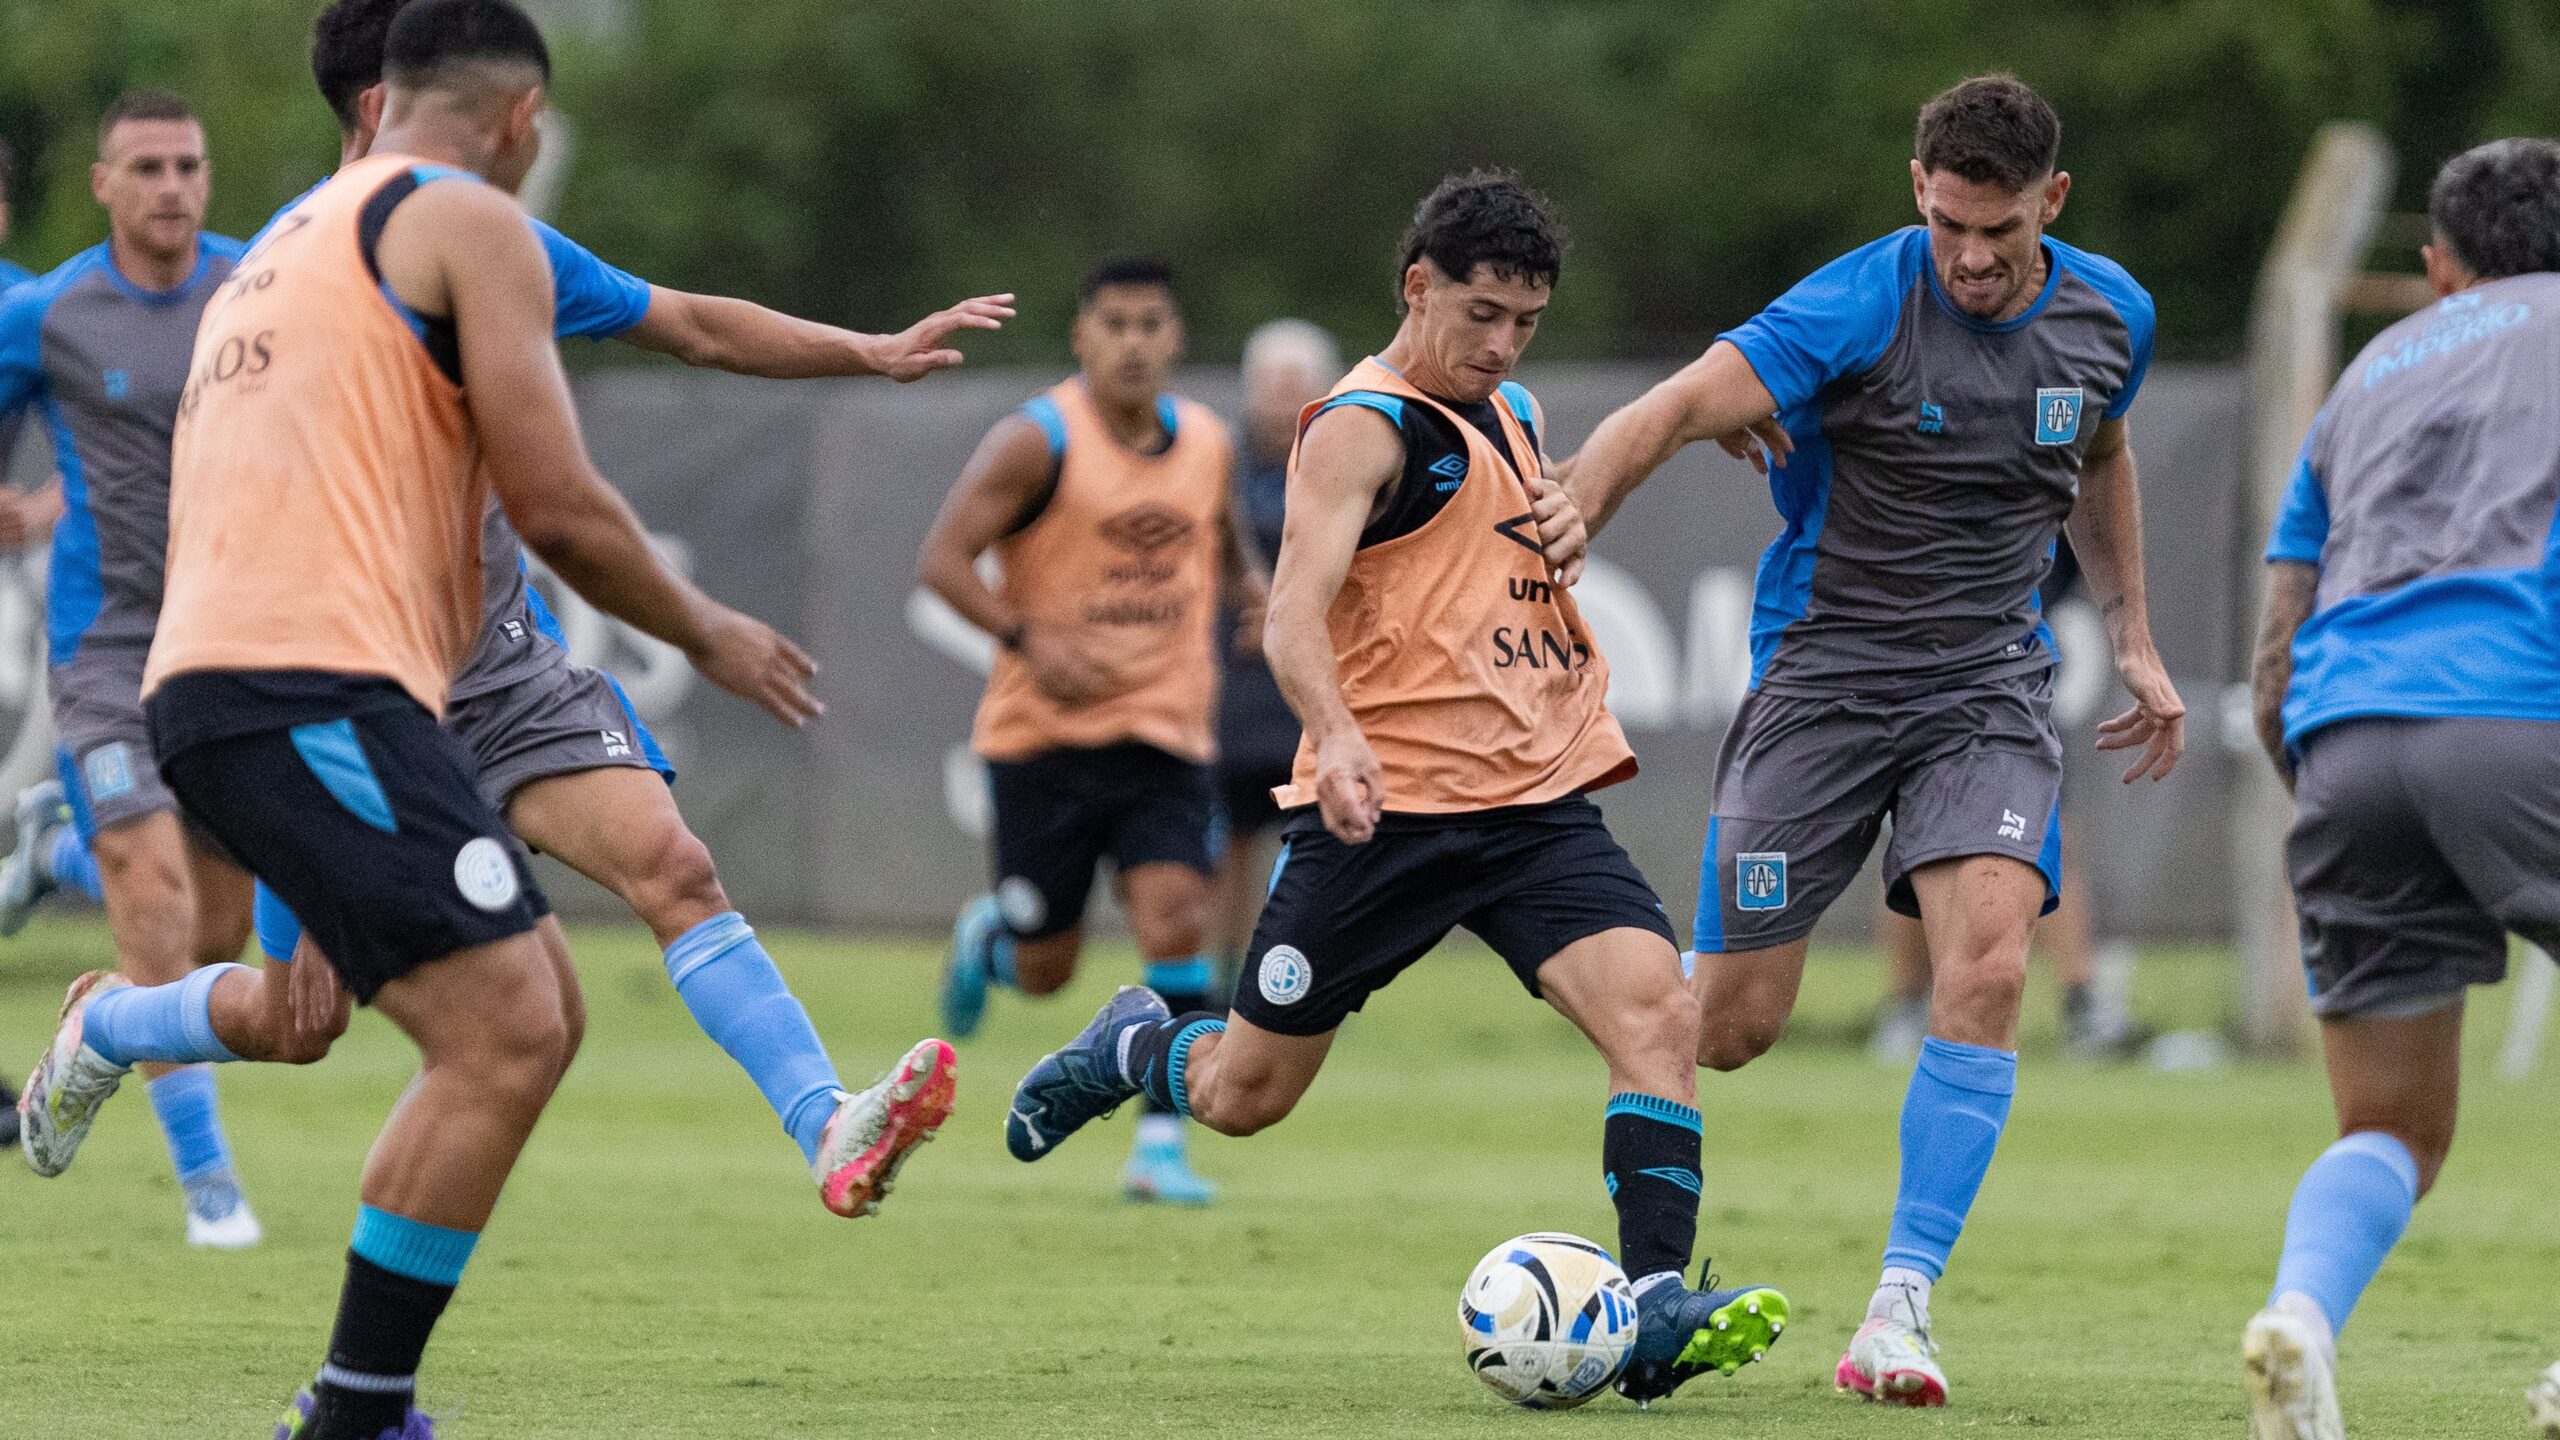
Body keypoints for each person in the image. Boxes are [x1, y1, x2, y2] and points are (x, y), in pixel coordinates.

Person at [14, 0, 1006, 1221]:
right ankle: (112, 1022)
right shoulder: (290, 267)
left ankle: (825, 1125)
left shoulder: (480, 240)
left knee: (672, 867)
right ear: (392, 107)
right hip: (346, 682)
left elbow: (687, 322)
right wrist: (705, 629)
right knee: (296, 1017)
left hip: (488, 667)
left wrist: (868, 351)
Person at [1000, 170, 1789, 1405]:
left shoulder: (1508, 410)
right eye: (1478, 313)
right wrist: (1340, 737)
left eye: (1523, 322)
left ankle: (1649, 1312)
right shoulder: (1360, 425)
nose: (1499, 342)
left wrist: (1679, 430)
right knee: (1244, 1096)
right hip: (1384, 818)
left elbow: (1537, 493)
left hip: (1533, 809)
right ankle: (1139, 1043)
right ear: (1416, 286)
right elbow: (1293, 615)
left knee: (1658, 1022)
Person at [1566, 75, 2184, 1407]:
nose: (1971, 257)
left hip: (1988, 693)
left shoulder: (2109, 315)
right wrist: (1572, 518)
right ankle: (1601, 984)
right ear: (1919, 189)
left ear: (2052, 205)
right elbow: (1674, 407)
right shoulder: (1857, 301)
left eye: (2001, 231)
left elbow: (2103, 454)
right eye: (1951, 223)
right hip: (1823, 686)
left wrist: (2131, 629)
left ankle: (1900, 1312)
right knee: (1729, 1027)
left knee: (1989, 971)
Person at [2242, 136, 2560, 1440]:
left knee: (2391, 1123)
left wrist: (2319, 780)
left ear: (2436, 267)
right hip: (2521, 716)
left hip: (2349, 745)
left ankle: (2302, 1321)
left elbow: (2277, 645)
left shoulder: (2367, 373)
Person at [923, 256, 1261, 1206]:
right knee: (1046, 969)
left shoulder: (1205, 439)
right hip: (1043, 738)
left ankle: (1161, 1143)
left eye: (1151, 325)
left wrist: (1253, 590)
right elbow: (942, 560)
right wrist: (1027, 638)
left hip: (1164, 730)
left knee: (1176, 918)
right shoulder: (1037, 440)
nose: (1133, 343)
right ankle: (991, 941)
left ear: (1176, 339)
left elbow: (1224, 537)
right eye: (1113, 324)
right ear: (1081, 336)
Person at [0, 92, 266, 1246]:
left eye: (188, 165)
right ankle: (211, 1190)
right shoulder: (47, 311)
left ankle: (47, 843)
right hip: (107, 650)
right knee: (151, 904)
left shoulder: (262, 287)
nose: (170, 185)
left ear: (209, 180)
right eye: (146, 166)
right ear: (104, 183)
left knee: (217, 945)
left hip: (233, 644)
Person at [1870, 538, 2146, 1065]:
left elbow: (2093, 510)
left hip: (2010, 666)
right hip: (1917, 660)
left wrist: (2128, 627)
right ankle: (1906, 1009)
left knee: (2043, 821)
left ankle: (2082, 1003)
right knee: (1908, 836)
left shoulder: (2052, 462)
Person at [1206, 320, 1334, 995]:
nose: (1284, 404)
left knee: (1312, 843)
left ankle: (1290, 976)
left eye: (1298, 390)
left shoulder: (1345, 464)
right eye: (1273, 389)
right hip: (1227, 686)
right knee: (1224, 844)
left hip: (1307, 687)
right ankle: (1220, 980)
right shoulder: (1218, 466)